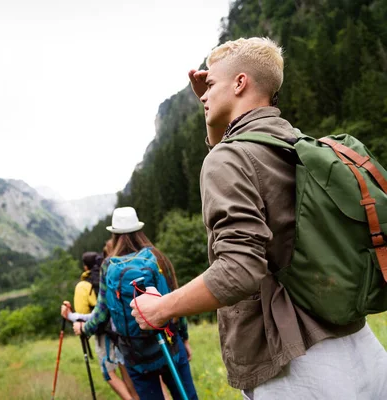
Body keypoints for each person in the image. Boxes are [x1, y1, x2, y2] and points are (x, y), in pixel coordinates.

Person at [129, 37, 387, 399]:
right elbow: (230, 151)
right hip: (362, 352)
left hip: (297, 371)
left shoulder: (230, 160)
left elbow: (239, 269)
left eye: (211, 85)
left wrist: (161, 308)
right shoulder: (296, 144)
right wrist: (215, 108)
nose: (203, 96)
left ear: (240, 83)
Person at [75, 206, 198, 400]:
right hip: (169, 344)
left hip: (136, 355)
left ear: (114, 234)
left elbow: (101, 314)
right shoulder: (157, 257)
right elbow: (175, 301)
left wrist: (84, 329)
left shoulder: (109, 265)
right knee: (187, 397)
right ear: (139, 230)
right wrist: (184, 339)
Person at [61, 250, 138, 400]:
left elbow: (86, 313)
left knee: (108, 373)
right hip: (121, 330)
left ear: (85, 267)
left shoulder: (83, 285)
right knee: (125, 368)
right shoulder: (111, 274)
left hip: (103, 332)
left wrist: (71, 317)